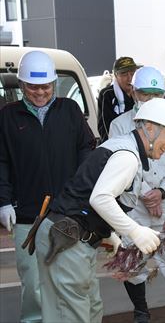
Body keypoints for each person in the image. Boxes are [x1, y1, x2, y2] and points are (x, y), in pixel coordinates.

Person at [33, 99, 165, 322]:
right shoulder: (128, 156)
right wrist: (135, 231)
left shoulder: (123, 147)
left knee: (91, 309)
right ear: (150, 127)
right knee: (70, 314)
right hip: (66, 237)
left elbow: (88, 191)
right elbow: (101, 198)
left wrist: (108, 232)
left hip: (73, 236)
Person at [0, 50, 95, 323]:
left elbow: (87, 149)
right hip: (28, 215)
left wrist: (82, 191)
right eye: (33, 86)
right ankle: (32, 320)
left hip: (67, 213)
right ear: (21, 85)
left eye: (46, 86)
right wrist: (4, 201)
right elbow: (1, 162)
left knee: (70, 277)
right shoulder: (8, 117)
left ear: (54, 84)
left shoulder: (70, 110)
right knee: (32, 281)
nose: (40, 92)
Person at [109, 66, 165, 323]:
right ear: (133, 91)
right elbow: (121, 164)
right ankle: (141, 313)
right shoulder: (120, 125)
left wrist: (161, 192)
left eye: (155, 93)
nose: (149, 99)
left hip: (164, 201)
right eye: (144, 93)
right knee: (131, 260)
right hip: (133, 204)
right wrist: (145, 195)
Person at [97, 56, 141, 141]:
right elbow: (104, 127)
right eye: (124, 74)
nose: (129, 78)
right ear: (116, 75)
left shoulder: (140, 92)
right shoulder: (107, 94)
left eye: (132, 73)